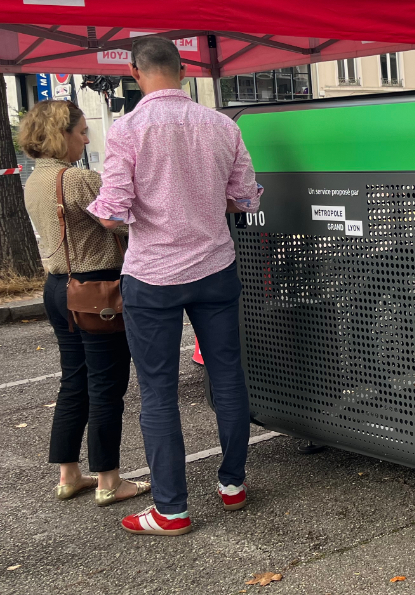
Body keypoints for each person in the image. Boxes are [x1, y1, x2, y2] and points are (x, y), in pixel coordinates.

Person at [88, 36, 262, 537]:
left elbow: (112, 212)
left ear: (135, 73)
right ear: (183, 70)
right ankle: (233, 484)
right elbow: (246, 199)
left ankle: (172, 509)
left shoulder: (127, 129)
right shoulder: (222, 125)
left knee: (158, 391)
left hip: (153, 276)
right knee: (227, 376)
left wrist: (106, 213)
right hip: (215, 267)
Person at [18, 100, 150, 507]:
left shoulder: (35, 179)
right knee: (107, 385)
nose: (86, 140)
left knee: (73, 380)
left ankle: (69, 474)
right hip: (95, 290)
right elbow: (122, 222)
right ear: (61, 134)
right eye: (81, 132)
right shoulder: (78, 179)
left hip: (58, 287)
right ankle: (109, 480)